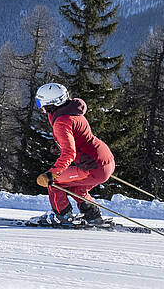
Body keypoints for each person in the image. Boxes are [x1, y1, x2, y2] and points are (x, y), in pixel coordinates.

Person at [33, 82, 115, 224]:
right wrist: (59, 145)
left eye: (41, 103)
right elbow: (79, 139)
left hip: (92, 166)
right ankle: (92, 215)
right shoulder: (73, 112)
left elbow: (69, 153)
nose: (41, 108)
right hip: (104, 160)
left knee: (54, 182)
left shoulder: (61, 122)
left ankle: (62, 216)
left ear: (51, 103)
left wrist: (52, 174)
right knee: (77, 188)